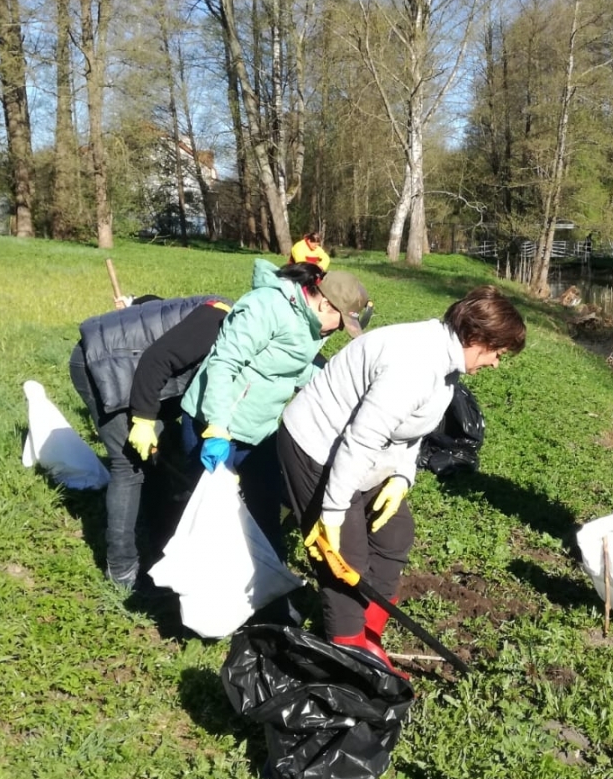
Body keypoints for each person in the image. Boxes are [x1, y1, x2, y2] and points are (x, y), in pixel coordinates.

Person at [277, 285, 526, 674]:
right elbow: (361, 439)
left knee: (395, 534)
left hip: (365, 453)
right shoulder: (414, 363)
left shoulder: (443, 366)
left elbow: (409, 430)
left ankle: (369, 640)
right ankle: (350, 664)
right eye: (498, 353)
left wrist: (401, 477)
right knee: (345, 560)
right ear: (476, 338)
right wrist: (333, 511)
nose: (496, 363)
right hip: (318, 444)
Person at [179, 261, 373, 556]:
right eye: (342, 323)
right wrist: (217, 428)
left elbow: (294, 368)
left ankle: (271, 585)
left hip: (260, 430)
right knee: (211, 516)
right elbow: (223, 364)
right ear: (326, 305)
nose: (337, 332)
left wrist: (347, 391)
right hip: (216, 425)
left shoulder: (311, 326)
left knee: (266, 507)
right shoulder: (266, 307)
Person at [70, 293, 231, 589]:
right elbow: (156, 360)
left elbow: (155, 306)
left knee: (157, 456)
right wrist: (143, 419)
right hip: (103, 363)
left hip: (135, 366)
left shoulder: (239, 321)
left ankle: (160, 542)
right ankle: (121, 569)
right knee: (128, 466)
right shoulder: (217, 322)